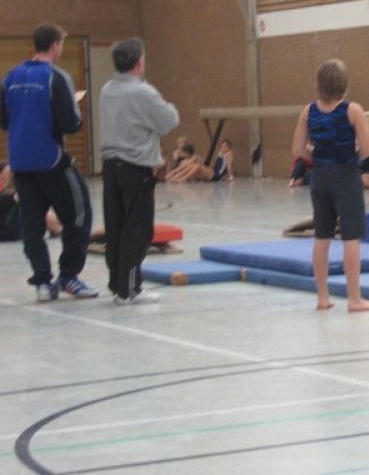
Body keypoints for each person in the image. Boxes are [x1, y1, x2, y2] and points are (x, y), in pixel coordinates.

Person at [0, 23, 97, 301]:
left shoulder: (9, 78)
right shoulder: (57, 77)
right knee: (79, 217)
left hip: (21, 164)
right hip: (51, 161)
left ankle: (43, 282)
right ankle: (69, 276)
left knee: (32, 226)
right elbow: (71, 123)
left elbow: (3, 120)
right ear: (55, 45)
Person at [291, 58, 369, 312]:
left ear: (318, 84)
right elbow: (368, 150)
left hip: (319, 177)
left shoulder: (308, 111)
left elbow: (297, 149)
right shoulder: (353, 111)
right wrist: (349, 155)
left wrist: (319, 157)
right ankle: (354, 298)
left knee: (322, 236)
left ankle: (322, 297)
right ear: (344, 85)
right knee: (351, 237)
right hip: (346, 176)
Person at [100, 37, 179, 304]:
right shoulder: (143, 92)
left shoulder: (107, 90)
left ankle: (117, 284)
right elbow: (169, 120)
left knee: (116, 226)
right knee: (138, 229)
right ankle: (130, 288)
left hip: (111, 167)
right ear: (138, 63)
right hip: (135, 168)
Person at [166, 140, 234, 182]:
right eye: (222, 146)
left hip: (216, 175)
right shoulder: (220, 152)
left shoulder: (229, 153)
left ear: (229, 147)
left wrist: (231, 177)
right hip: (212, 171)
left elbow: (229, 166)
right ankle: (176, 176)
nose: (223, 148)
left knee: (197, 166)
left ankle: (182, 178)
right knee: (193, 165)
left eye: (225, 146)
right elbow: (218, 164)